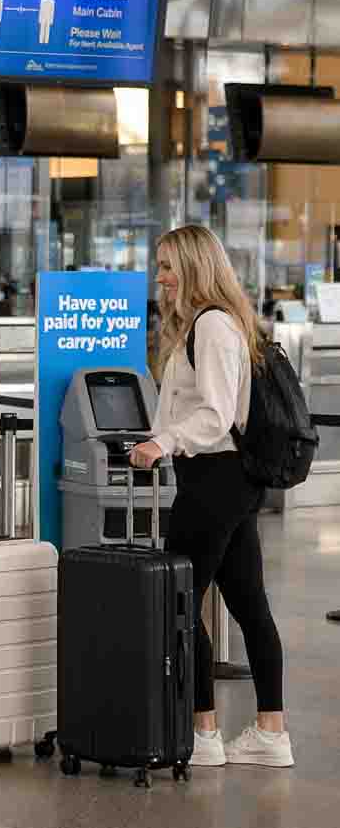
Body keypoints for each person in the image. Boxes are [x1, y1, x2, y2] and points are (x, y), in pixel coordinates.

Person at [128, 225, 293, 768]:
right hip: (224, 481)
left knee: (178, 600)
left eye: (169, 266)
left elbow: (217, 414)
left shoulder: (213, 326)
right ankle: (271, 732)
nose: (161, 277)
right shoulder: (209, 325)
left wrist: (162, 441)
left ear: (196, 267)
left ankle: (204, 733)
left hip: (216, 478)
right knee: (248, 603)